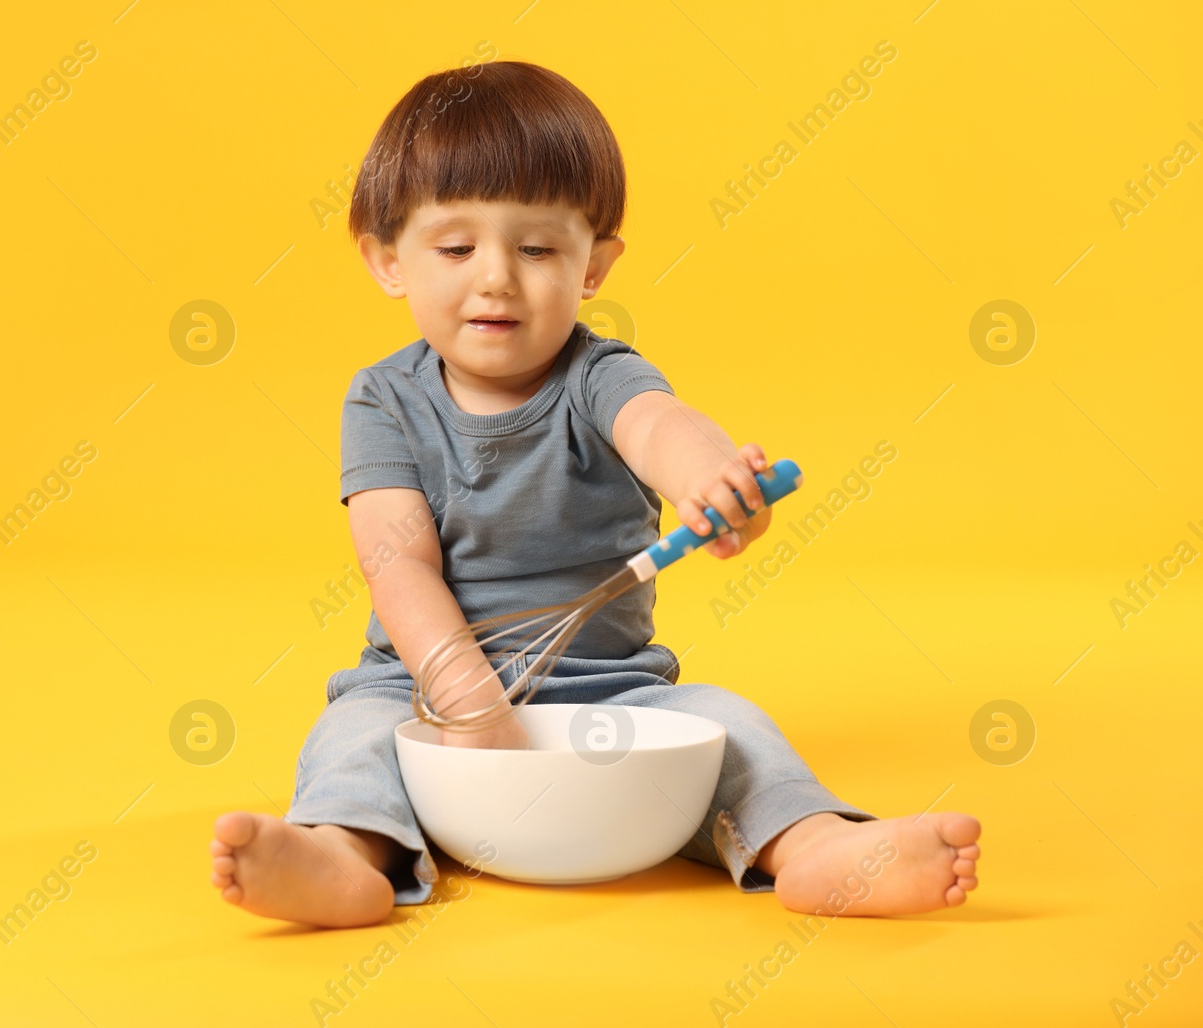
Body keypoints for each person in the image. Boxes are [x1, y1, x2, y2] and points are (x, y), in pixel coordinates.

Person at [210, 59, 979, 928]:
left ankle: (816, 846)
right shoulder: (384, 399)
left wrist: (717, 484)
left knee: (730, 725)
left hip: (612, 692)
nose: (497, 276)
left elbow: (662, 428)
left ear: (595, 265)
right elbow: (397, 561)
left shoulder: (599, 376)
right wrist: (465, 691)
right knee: (350, 739)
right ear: (388, 260)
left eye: (537, 249)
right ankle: (343, 855)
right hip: (424, 686)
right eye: (457, 248)